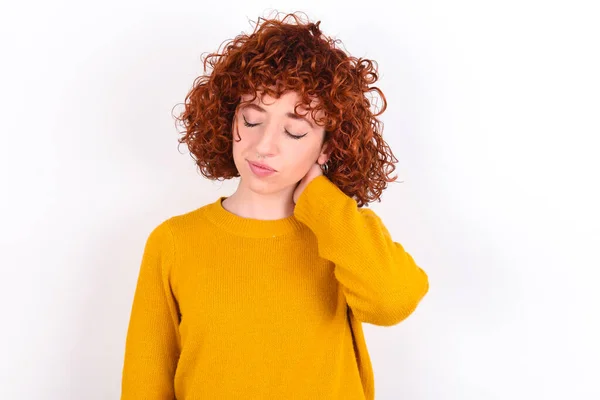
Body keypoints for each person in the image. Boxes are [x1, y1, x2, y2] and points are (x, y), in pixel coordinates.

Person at [120, 11, 429, 400]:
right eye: (251, 120)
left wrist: (319, 200)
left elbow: (393, 302)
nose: (264, 145)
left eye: (295, 130)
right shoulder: (173, 241)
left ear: (328, 146)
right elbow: (144, 385)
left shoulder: (342, 234)